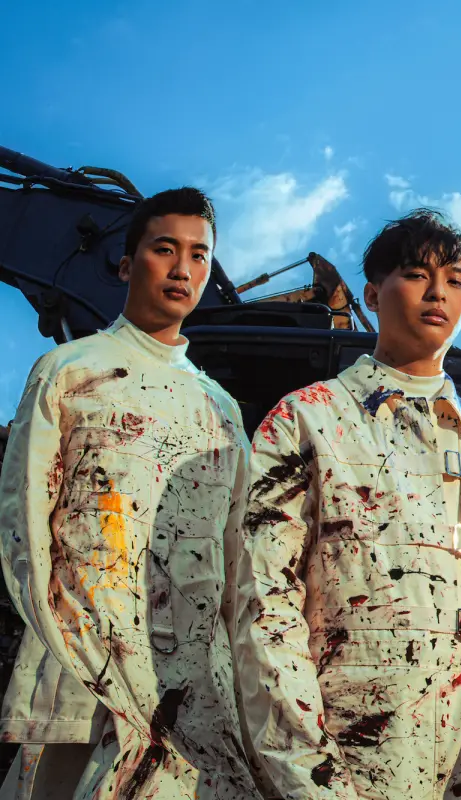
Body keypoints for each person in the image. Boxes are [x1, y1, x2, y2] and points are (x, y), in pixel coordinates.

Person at [234, 208, 461, 799]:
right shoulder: (306, 421)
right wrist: (313, 778)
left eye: (456, 280)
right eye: (417, 274)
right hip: (358, 754)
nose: (438, 293)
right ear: (372, 293)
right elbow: (266, 607)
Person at [0, 188, 265, 798]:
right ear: (125, 265)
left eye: (199, 255)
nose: (182, 269)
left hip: (191, 681)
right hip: (83, 662)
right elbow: (23, 529)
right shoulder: (70, 370)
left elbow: (234, 562)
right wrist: (71, 647)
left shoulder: (220, 410)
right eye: (164, 249)